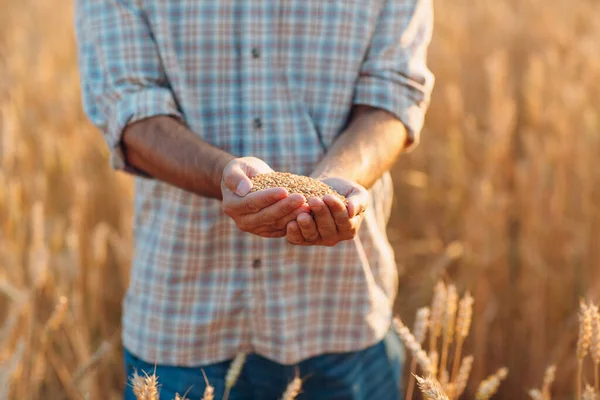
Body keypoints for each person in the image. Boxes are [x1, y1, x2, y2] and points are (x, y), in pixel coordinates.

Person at [75, 0, 434, 398]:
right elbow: (128, 105)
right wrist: (221, 174)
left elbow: (394, 93)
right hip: (183, 320)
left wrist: (335, 187)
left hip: (343, 311)